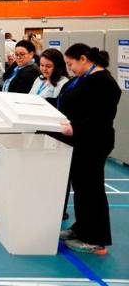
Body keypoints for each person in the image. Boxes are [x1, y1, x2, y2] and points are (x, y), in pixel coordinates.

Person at [57, 44, 121, 254]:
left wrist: (74, 127)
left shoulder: (104, 82)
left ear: (83, 59)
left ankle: (95, 239)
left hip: (93, 141)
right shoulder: (84, 78)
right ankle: (82, 228)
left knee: (91, 191)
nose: (70, 68)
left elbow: (100, 118)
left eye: (71, 64)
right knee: (82, 189)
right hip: (80, 141)